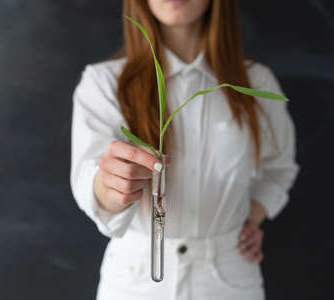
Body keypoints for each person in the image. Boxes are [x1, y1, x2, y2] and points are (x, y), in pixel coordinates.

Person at [70, 0, 300, 299]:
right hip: (135, 279)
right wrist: (110, 183)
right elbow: (91, 179)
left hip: (227, 277)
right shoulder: (104, 83)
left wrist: (250, 219)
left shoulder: (256, 82)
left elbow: (278, 169)